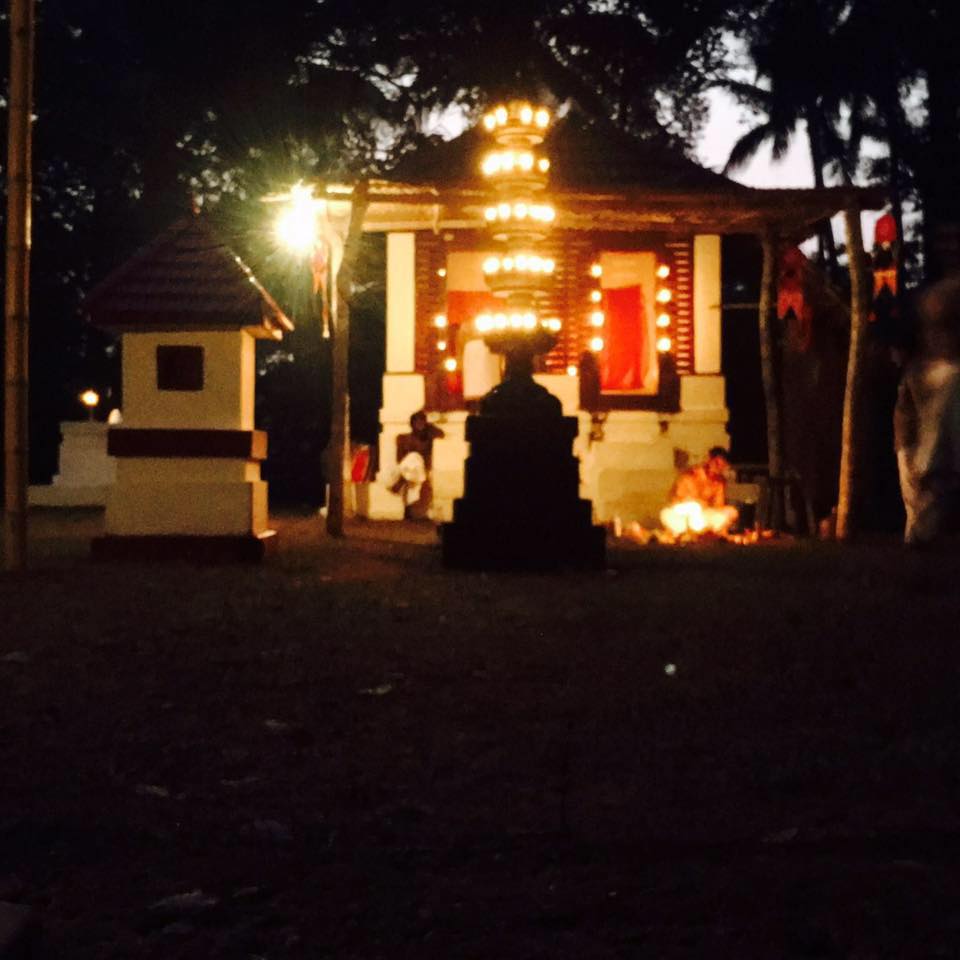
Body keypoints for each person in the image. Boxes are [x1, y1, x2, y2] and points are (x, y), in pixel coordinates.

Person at [894, 272, 960, 546]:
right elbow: (905, 417)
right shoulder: (921, 375)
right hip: (926, 469)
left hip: (937, 471)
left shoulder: (949, 379)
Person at [660, 446, 738, 535]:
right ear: (709, 460)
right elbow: (677, 501)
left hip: (701, 516)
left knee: (731, 512)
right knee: (693, 508)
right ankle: (684, 531)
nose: (718, 468)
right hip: (680, 514)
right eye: (716, 463)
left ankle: (704, 532)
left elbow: (718, 506)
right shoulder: (690, 475)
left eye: (722, 466)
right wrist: (696, 505)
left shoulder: (719, 482)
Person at [388, 410, 445, 519]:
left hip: (421, 471)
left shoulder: (428, 438)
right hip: (408, 471)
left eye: (422, 422)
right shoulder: (403, 438)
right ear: (412, 424)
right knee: (411, 461)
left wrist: (429, 426)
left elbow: (441, 434)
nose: (420, 425)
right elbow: (399, 459)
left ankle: (400, 482)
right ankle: (404, 485)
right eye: (417, 423)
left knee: (414, 458)